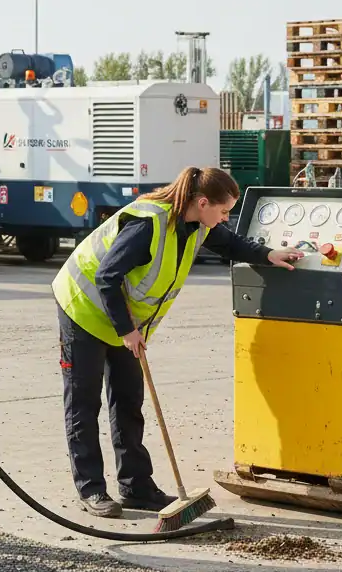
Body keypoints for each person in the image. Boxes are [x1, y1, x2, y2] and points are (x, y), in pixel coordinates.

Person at [51, 166, 304, 518]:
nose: (225, 218)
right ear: (202, 202)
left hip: (125, 321)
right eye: (223, 210)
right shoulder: (147, 225)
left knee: (128, 402)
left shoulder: (199, 226)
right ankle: (92, 490)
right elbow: (106, 276)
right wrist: (127, 331)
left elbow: (230, 243)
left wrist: (267, 255)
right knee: (84, 403)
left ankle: (137, 488)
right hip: (84, 309)